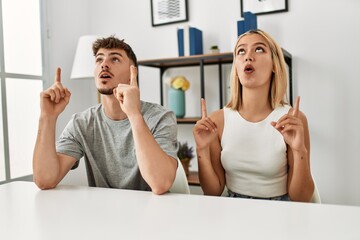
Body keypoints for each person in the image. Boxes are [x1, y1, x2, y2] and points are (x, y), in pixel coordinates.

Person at [33, 36, 178, 195]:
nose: (104, 64)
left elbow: (161, 184)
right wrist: (47, 117)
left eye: (115, 59)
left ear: (132, 73)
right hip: (101, 214)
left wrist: (134, 115)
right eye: (99, 60)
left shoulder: (160, 117)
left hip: (151, 213)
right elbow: (45, 180)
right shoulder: (82, 123)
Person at [192, 29, 314, 202]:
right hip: (233, 211)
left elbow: (301, 198)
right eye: (241, 51)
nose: (248, 56)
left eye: (259, 49)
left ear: (274, 64)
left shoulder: (293, 120)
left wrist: (299, 150)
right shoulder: (217, 120)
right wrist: (201, 150)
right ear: (236, 66)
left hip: (279, 211)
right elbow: (213, 192)